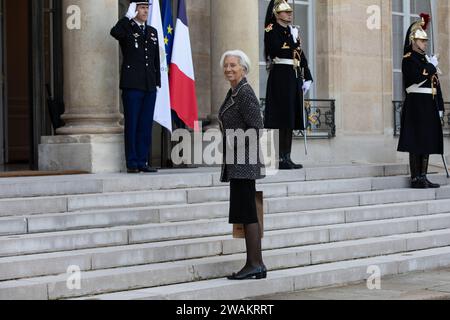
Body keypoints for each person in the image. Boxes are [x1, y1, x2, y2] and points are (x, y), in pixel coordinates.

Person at [218, 50, 267, 280]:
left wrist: (232, 142)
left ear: (244, 68)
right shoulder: (234, 92)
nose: (228, 69)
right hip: (237, 162)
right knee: (246, 212)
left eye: (233, 65)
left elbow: (257, 127)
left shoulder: (245, 92)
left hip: (244, 162)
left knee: (248, 213)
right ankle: (255, 264)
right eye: (226, 65)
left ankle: (255, 264)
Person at [110, 0, 160, 173]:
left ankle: (142, 161)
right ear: (135, 9)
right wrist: (126, 17)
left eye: (147, 8)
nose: (146, 11)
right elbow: (114, 32)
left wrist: (157, 82)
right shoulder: (127, 28)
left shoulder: (152, 32)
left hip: (149, 85)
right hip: (132, 85)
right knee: (132, 123)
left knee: (145, 125)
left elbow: (155, 59)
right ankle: (132, 162)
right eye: (142, 8)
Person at [264, 0, 313, 170]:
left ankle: (287, 156)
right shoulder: (271, 30)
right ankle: (278, 158)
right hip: (281, 77)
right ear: (277, 14)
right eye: (285, 12)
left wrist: (307, 76)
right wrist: (292, 40)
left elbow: (300, 56)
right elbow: (276, 49)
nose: (290, 14)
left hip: (293, 77)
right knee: (281, 118)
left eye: (290, 11)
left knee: (290, 118)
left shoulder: (291, 32)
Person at [397, 13, 445, 189]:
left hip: (428, 104)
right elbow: (415, 78)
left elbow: (435, 85)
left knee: (427, 140)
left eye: (425, 41)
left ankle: (423, 176)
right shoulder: (408, 59)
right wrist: (430, 67)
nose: (425, 43)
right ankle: (415, 178)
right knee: (416, 141)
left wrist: (439, 105)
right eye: (422, 40)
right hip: (416, 104)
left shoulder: (426, 60)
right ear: (413, 41)